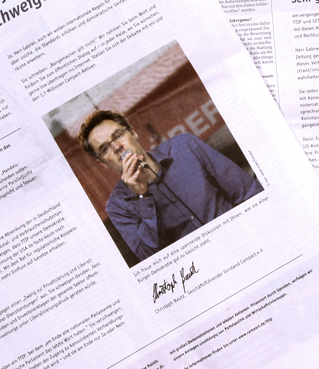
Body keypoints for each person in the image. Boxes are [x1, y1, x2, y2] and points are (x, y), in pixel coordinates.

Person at [79, 110, 262, 263]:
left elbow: (247, 191)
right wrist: (142, 197)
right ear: (103, 163)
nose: (117, 147)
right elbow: (152, 261)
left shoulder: (184, 145)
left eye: (118, 135)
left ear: (133, 132)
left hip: (243, 237)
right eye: (105, 149)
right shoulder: (117, 206)